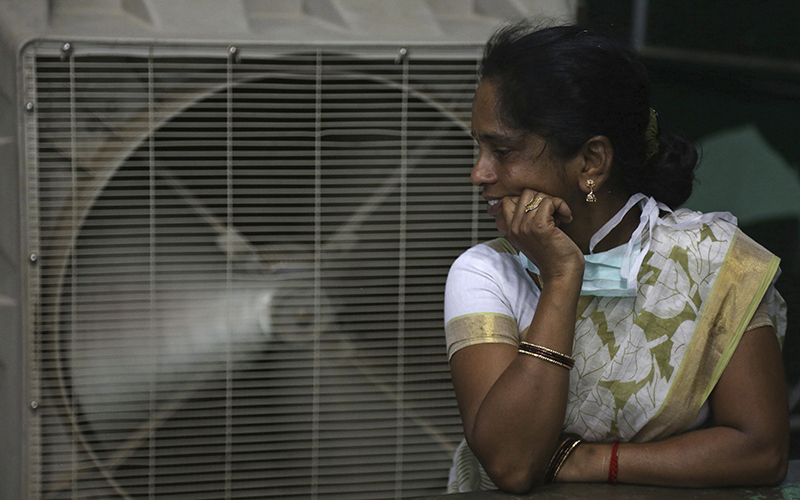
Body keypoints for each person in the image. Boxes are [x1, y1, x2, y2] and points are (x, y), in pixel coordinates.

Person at [444, 21, 789, 494]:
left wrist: (588, 461)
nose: (478, 173)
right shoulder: (486, 272)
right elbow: (513, 464)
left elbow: (761, 451)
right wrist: (562, 278)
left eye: (502, 150)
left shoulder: (715, 261)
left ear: (590, 163)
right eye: (478, 147)